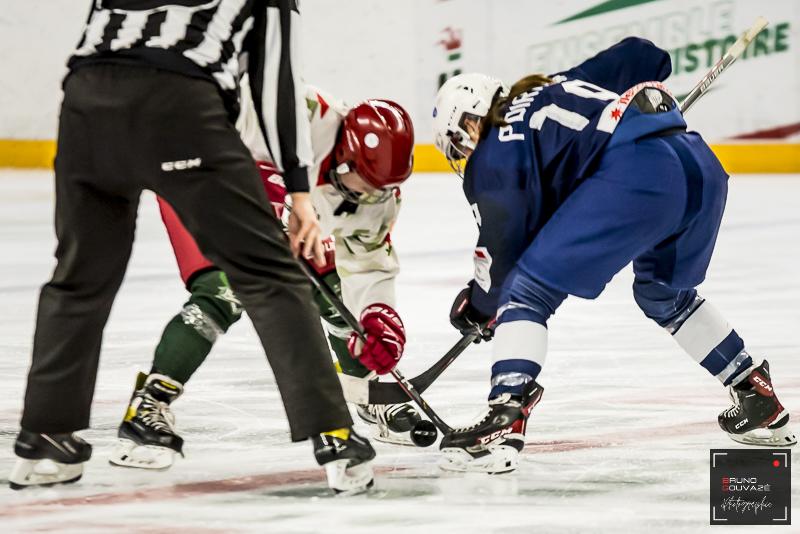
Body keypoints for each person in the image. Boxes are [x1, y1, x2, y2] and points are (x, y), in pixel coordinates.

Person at [10, 0, 380, 494]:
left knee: (79, 277)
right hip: (177, 104)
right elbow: (276, 87)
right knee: (268, 273)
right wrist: (298, 192)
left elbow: (103, 39)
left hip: (85, 102)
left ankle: (45, 436)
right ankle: (334, 435)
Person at [431, 37, 796, 474]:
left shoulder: (493, 150)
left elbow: (503, 248)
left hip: (638, 175)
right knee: (666, 296)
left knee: (526, 293)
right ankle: (753, 392)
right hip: (699, 163)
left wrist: (479, 304)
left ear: (468, 123)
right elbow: (647, 56)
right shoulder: (557, 84)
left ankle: (505, 415)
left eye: (457, 144)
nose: (463, 155)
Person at [111, 84, 419, 470]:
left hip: (290, 212)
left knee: (337, 293)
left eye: (384, 189)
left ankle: (367, 392)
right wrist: (264, 189)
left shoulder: (378, 196)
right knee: (224, 291)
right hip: (196, 177)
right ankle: (148, 405)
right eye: (367, 184)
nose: (372, 197)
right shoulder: (299, 112)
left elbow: (369, 265)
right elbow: (208, 124)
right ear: (345, 157)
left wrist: (378, 318)